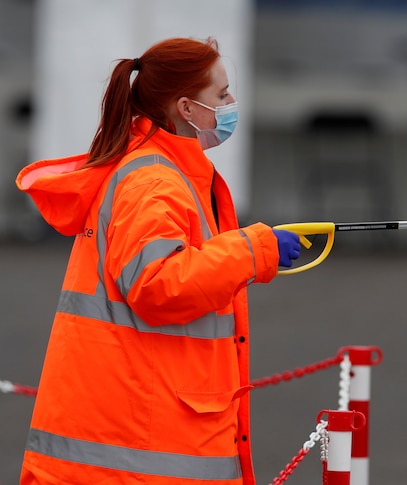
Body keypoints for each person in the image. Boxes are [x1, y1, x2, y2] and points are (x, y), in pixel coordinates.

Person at [16, 37, 302, 484]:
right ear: (186, 109)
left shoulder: (159, 170)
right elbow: (158, 285)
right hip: (138, 446)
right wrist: (256, 249)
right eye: (222, 95)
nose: (231, 103)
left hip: (128, 434)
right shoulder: (155, 182)